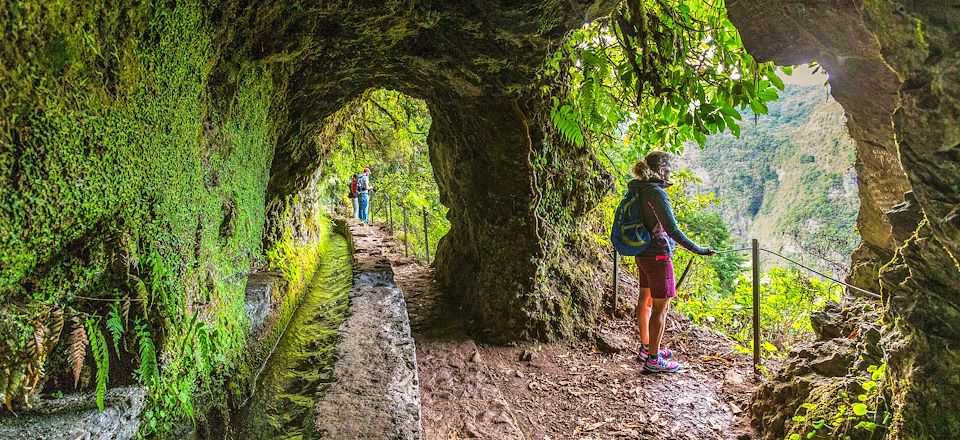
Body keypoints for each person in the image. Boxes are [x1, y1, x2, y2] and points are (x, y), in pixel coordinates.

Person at [630, 151, 715, 373]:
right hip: (658, 255)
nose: (670, 174)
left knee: (645, 301)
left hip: (641, 251)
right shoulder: (656, 194)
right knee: (661, 308)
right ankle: (654, 360)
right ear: (660, 171)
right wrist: (698, 249)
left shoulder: (638, 189)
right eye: (668, 170)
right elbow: (672, 229)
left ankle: (647, 347)